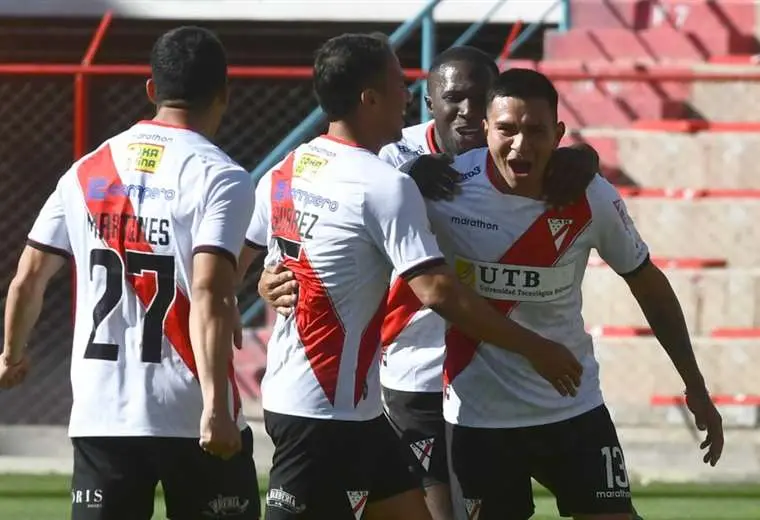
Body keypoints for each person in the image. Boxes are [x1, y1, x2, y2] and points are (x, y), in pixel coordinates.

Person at [258, 68, 725, 520]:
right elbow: (345, 205)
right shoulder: (442, 188)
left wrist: (696, 384)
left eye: (536, 131)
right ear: (485, 130)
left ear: (559, 132)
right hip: (478, 419)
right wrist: (273, 275)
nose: (520, 143)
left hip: (572, 406)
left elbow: (650, 287)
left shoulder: (589, 196)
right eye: (506, 130)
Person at [238, 33, 583, 520]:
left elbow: (236, 260)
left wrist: (260, 279)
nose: (408, 95)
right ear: (370, 98)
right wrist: (536, 348)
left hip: (358, 407)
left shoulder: (286, 168)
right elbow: (438, 291)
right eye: (400, 85)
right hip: (324, 408)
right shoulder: (385, 181)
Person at [0, 26, 260, 520]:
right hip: (189, 411)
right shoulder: (221, 176)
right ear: (224, 95)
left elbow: (29, 275)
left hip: (102, 413)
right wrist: (216, 405)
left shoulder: (85, 172)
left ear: (150, 90)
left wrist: (12, 354)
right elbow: (208, 290)